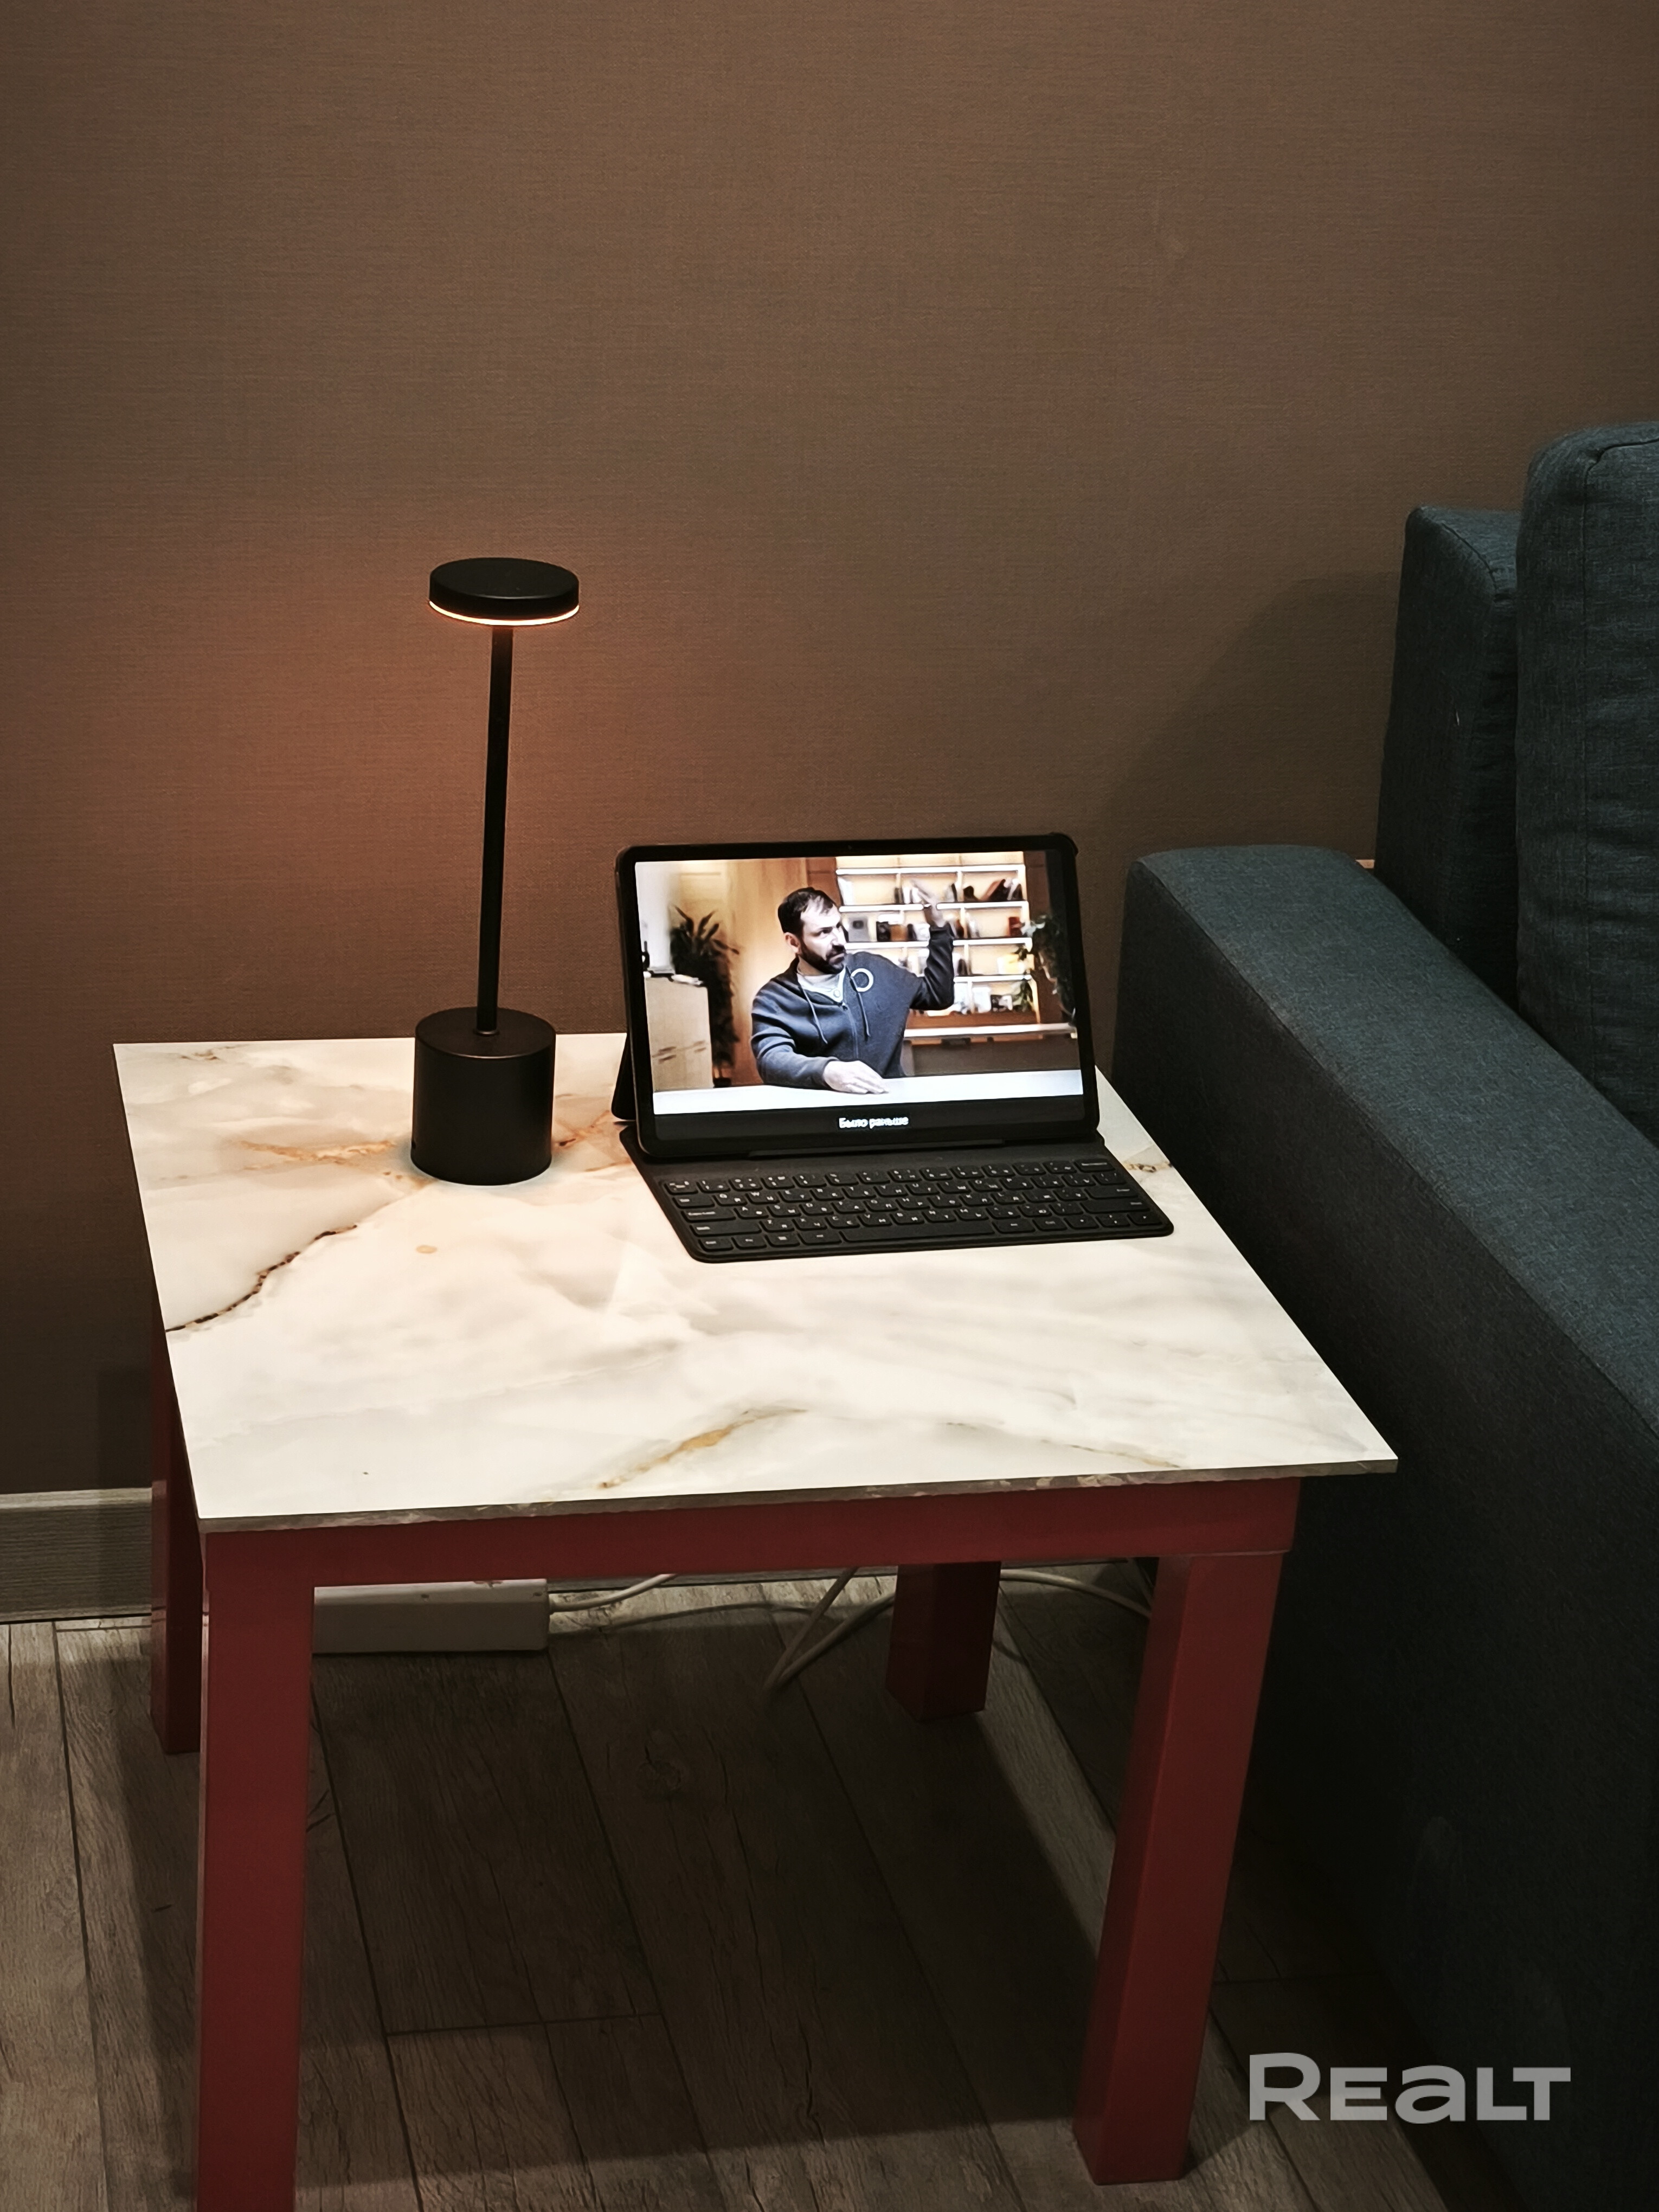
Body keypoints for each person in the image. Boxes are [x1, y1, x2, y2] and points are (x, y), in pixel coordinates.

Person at [750, 886, 954, 1091]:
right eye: (823, 933)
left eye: (838, 927)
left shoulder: (876, 970)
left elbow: (938, 996)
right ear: (794, 942)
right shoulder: (775, 998)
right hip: (824, 1110)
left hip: (889, 1104)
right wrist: (826, 1071)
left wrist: (938, 929)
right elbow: (771, 1060)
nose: (840, 941)